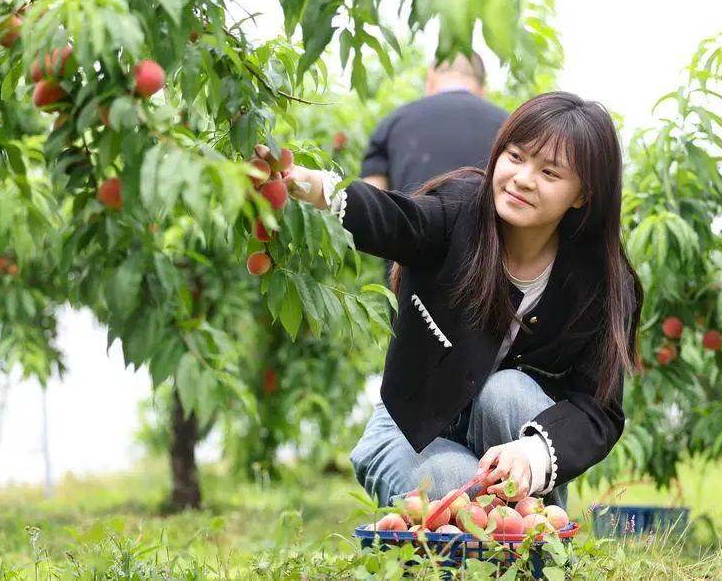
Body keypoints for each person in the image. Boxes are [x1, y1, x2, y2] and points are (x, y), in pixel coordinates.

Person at [259, 91, 643, 512]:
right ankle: (494, 527)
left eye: (549, 172)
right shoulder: (459, 211)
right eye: (515, 156)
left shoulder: (600, 283)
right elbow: (397, 220)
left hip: (510, 439)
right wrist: (312, 186)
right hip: (410, 432)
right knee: (453, 483)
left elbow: (598, 409)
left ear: (583, 194)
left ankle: (535, 530)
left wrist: (532, 454)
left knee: (509, 391)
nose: (522, 178)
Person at [361, 51, 508, 195]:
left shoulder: (392, 123)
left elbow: (370, 199)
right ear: (483, 90)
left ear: (430, 82)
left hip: (412, 211)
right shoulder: (508, 127)